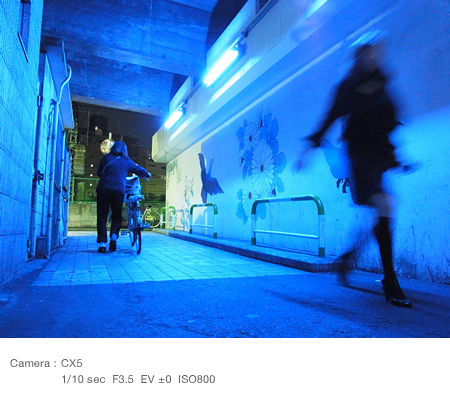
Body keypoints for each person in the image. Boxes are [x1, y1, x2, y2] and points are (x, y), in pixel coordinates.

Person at [301, 31, 412, 308]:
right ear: (360, 54)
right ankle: (390, 279)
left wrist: (397, 156)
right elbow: (330, 116)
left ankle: (347, 259)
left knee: (383, 210)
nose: (377, 56)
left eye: (379, 52)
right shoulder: (349, 86)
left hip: (379, 156)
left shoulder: (382, 83)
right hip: (360, 156)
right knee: (385, 205)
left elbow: (389, 120)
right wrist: (309, 148)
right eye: (371, 51)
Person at [96, 141, 151, 253]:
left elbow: (99, 173)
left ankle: (102, 244)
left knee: (102, 216)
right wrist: (147, 174)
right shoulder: (126, 161)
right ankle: (114, 237)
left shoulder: (106, 158)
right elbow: (139, 169)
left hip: (103, 189)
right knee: (116, 216)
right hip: (118, 191)